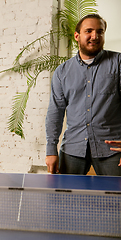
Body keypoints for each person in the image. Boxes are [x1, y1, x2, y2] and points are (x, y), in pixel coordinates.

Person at [45, 14, 121, 176]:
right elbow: (55, 112)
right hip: (73, 149)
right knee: (66, 198)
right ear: (77, 36)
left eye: (100, 31)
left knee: (115, 200)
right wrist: (51, 149)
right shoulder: (62, 72)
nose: (95, 36)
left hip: (112, 150)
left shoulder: (118, 63)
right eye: (89, 31)